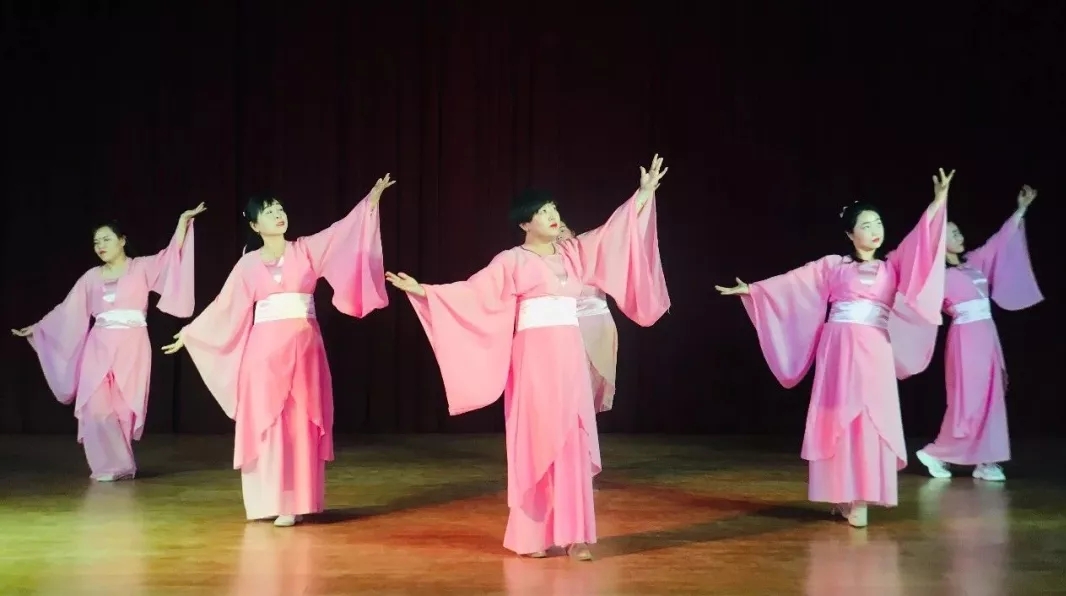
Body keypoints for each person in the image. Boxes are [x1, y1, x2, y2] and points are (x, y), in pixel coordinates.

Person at [385, 155, 671, 560]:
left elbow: (614, 233)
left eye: (553, 209)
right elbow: (473, 293)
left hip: (569, 356)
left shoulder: (574, 253)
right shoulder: (511, 260)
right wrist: (424, 291)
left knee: (572, 439)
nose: (552, 216)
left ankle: (575, 536)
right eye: (542, 212)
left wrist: (642, 196)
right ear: (525, 223)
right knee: (536, 440)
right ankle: (531, 536)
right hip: (533, 359)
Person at [715, 169, 955, 527]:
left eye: (878, 223)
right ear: (850, 234)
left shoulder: (892, 266)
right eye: (866, 225)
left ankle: (864, 495)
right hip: (840, 349)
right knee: (840, 418)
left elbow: (920, 243)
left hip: (874, 348)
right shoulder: (833, 266)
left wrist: (937, 203)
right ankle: (843, 493)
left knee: (871, 418)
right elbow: (794, 284)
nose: (875, 230)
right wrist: (753, 290)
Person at [162, 175, 393, 527]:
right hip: (264, 355)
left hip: (305, 351)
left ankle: (295, 502)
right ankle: (266, 500)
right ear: (255, 225)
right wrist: (192, 333)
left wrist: (370, 203)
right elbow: (225, 306)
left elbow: (341, 232)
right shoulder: (248, 265)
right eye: (269, 212)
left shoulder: (306, 250)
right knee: (267, 423)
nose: (278, 214)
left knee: (299, 423)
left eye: (279, 209)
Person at [12, 204, 203, 481]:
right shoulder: (91, 277)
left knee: (122, 409)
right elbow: (68, 310)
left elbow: (171, 256)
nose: (100, 246)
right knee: (96, 407)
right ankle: (108, 466)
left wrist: (182, 223)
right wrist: (39, 328)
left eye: (106, 239)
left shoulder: (140, 268)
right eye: (96, 242)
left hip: (132, 345)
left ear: (122, 240)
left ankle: (122, 466)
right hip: (99, 346)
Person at [915, 185, 1043, 482]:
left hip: (987, 335)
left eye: (958, 231)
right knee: (969, 400)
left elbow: (999, 242)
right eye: (952, 233)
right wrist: (938, 203)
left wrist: (1021, 209)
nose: (959, 235)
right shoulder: (936, 276)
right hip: (965, 340)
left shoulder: (974, 262)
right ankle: (937, 453)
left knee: (992, 396)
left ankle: (986, 460)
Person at [558, 224, 617, 413]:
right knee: (571, 383)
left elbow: (614, 232)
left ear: (574, 233)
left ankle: (584, 424)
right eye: (555, 232)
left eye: (562, 229)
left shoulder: (591, 254)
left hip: (598, 324)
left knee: (593, 380)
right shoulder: (550, 264)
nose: (559, 235)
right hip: (569, 328)